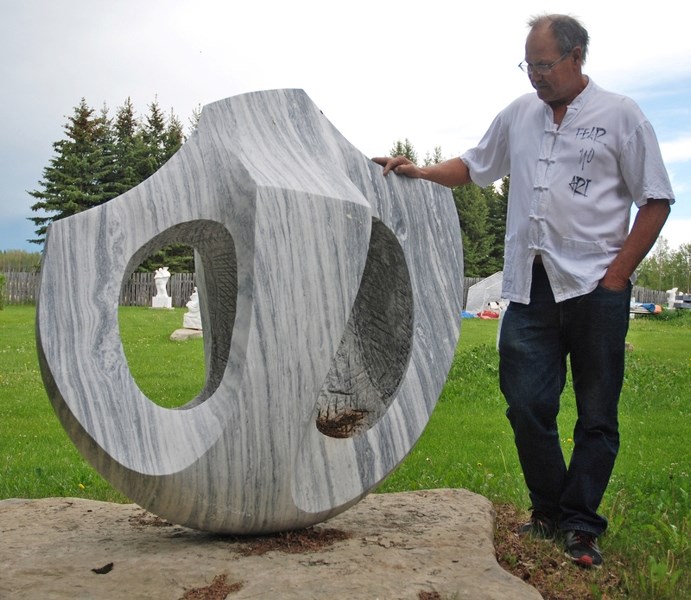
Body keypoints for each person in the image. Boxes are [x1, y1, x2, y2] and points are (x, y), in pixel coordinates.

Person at [373, 13, 673, 569]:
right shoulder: (520, 114)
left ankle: (579, 526)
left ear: (577, 57)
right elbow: (474, 166)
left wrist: (617, 277)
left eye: (544, 65)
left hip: (594, 289)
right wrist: (419, 171)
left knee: (596, 414)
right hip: (530, 287)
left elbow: (655, 199)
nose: (535, 76)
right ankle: (551, 511)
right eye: (528, 65)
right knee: (527, 405)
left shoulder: (622, 116)